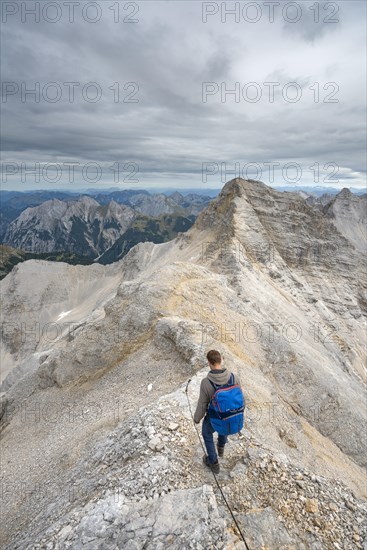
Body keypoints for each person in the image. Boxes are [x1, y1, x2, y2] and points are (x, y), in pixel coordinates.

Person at [194, 349, 243, 474]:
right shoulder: (233, 377)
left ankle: (213, 462)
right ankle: (221, 446)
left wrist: (197, 418)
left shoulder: (206, 382)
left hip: (215, 418)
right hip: (231, 417)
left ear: (209, 362)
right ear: (221, 360)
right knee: (226, 418)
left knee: (206, 432)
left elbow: (202, 404)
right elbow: (241, 398)